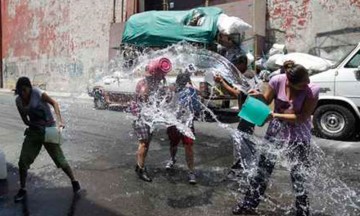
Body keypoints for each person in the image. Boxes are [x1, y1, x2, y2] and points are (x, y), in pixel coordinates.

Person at [232, 64, 320, 216]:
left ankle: (303, 211)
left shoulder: (312, 90)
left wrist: (275, 116)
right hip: (275, 134)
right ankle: (248, 205)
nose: (307, 84)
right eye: (302, 84)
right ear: (289, 81)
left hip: (298, 138)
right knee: (262, 171)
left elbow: (302, 118)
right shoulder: (277, 80)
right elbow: (266, 101)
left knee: (298, 175)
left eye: (307, 80)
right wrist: (258, 96)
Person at [14, 77, 80, 202]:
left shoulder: (38, 93)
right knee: (23, 161)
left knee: (60, 160)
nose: (23, 93)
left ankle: (74, 181)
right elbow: (25, 120)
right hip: (34, 131)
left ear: (29, 87)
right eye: (20, 90)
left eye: (24, 90)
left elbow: (54, 103)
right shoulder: (18, 101)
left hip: (49, 130)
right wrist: (34, 126)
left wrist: (60, 122)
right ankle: (22, 189)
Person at [214, 55, 259, 177]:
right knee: (245, 138)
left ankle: (247, 166)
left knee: (241, 137)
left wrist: (222, 82)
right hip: (249, 111)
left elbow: (237, 93)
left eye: (236, 65)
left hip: (250, 111)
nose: (235, 68)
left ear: (243, 63)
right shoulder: (247, 75)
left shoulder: (247, 76)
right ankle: (246, 164)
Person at [131, 58, 171, 182]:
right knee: (144, 143)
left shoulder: (157, 83)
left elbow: (164, 99)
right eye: (160, 75)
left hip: (149, 117)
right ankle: (141, 170)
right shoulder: (144, 84)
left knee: (146, 143)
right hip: (140, 117)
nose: (161, 78)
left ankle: (139, 166)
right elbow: (144, 98)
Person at [165, 71, 201, 184]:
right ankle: (172, 159)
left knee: (188, 147)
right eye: (181, 81)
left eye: (184, 81)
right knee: (173, 144)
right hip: (173, 122)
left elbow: (197, 108)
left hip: (187, 124)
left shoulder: (191, 92)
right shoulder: (172, 90)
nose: (182, 84)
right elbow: (165, 104)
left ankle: (191, 171)